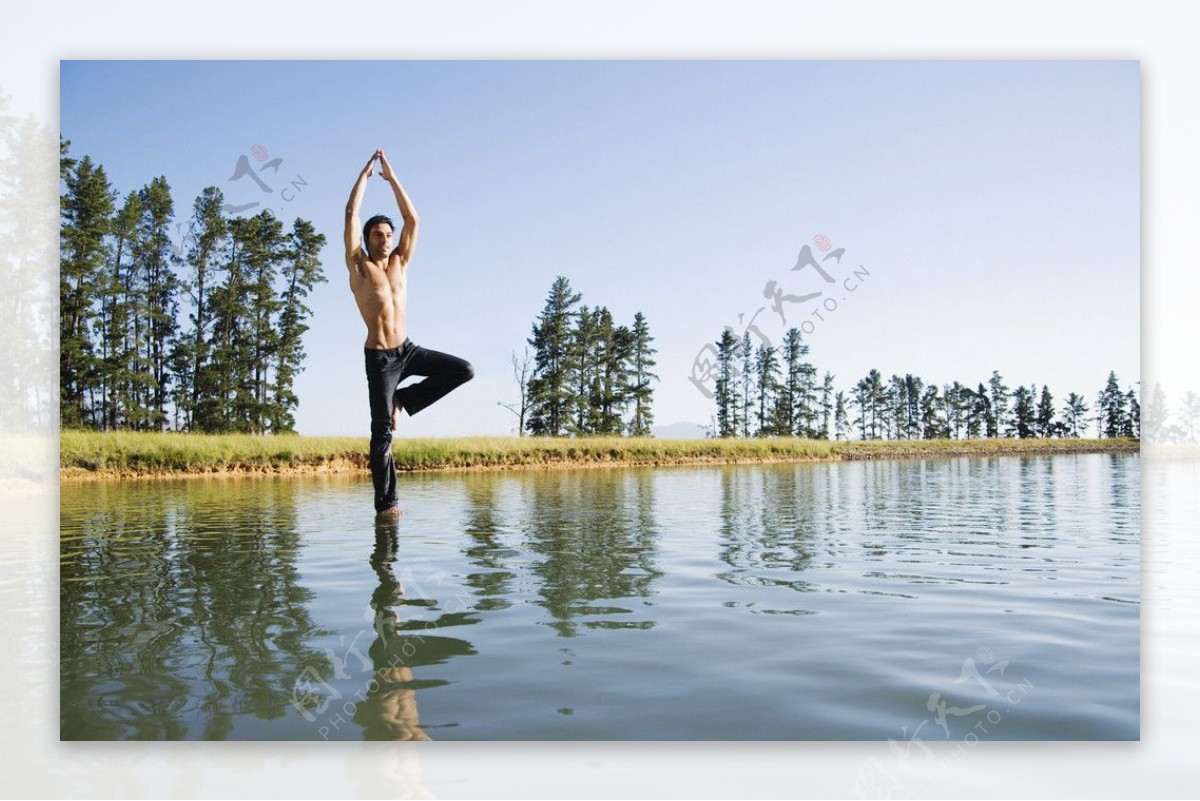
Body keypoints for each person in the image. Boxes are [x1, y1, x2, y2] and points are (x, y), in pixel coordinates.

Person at [345, 149, 473, 516]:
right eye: (377, 234)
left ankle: (405, 399)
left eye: (388, 234)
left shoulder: (401, 261)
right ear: (367, 240)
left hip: (408, 350)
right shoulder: (359, 267)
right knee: (382, 431)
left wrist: (392, 177)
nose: (385, 239)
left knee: (463, 370)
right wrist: (365, 178)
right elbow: (351, 215)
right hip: (381, 359)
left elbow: (412, 218)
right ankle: (387, 505)